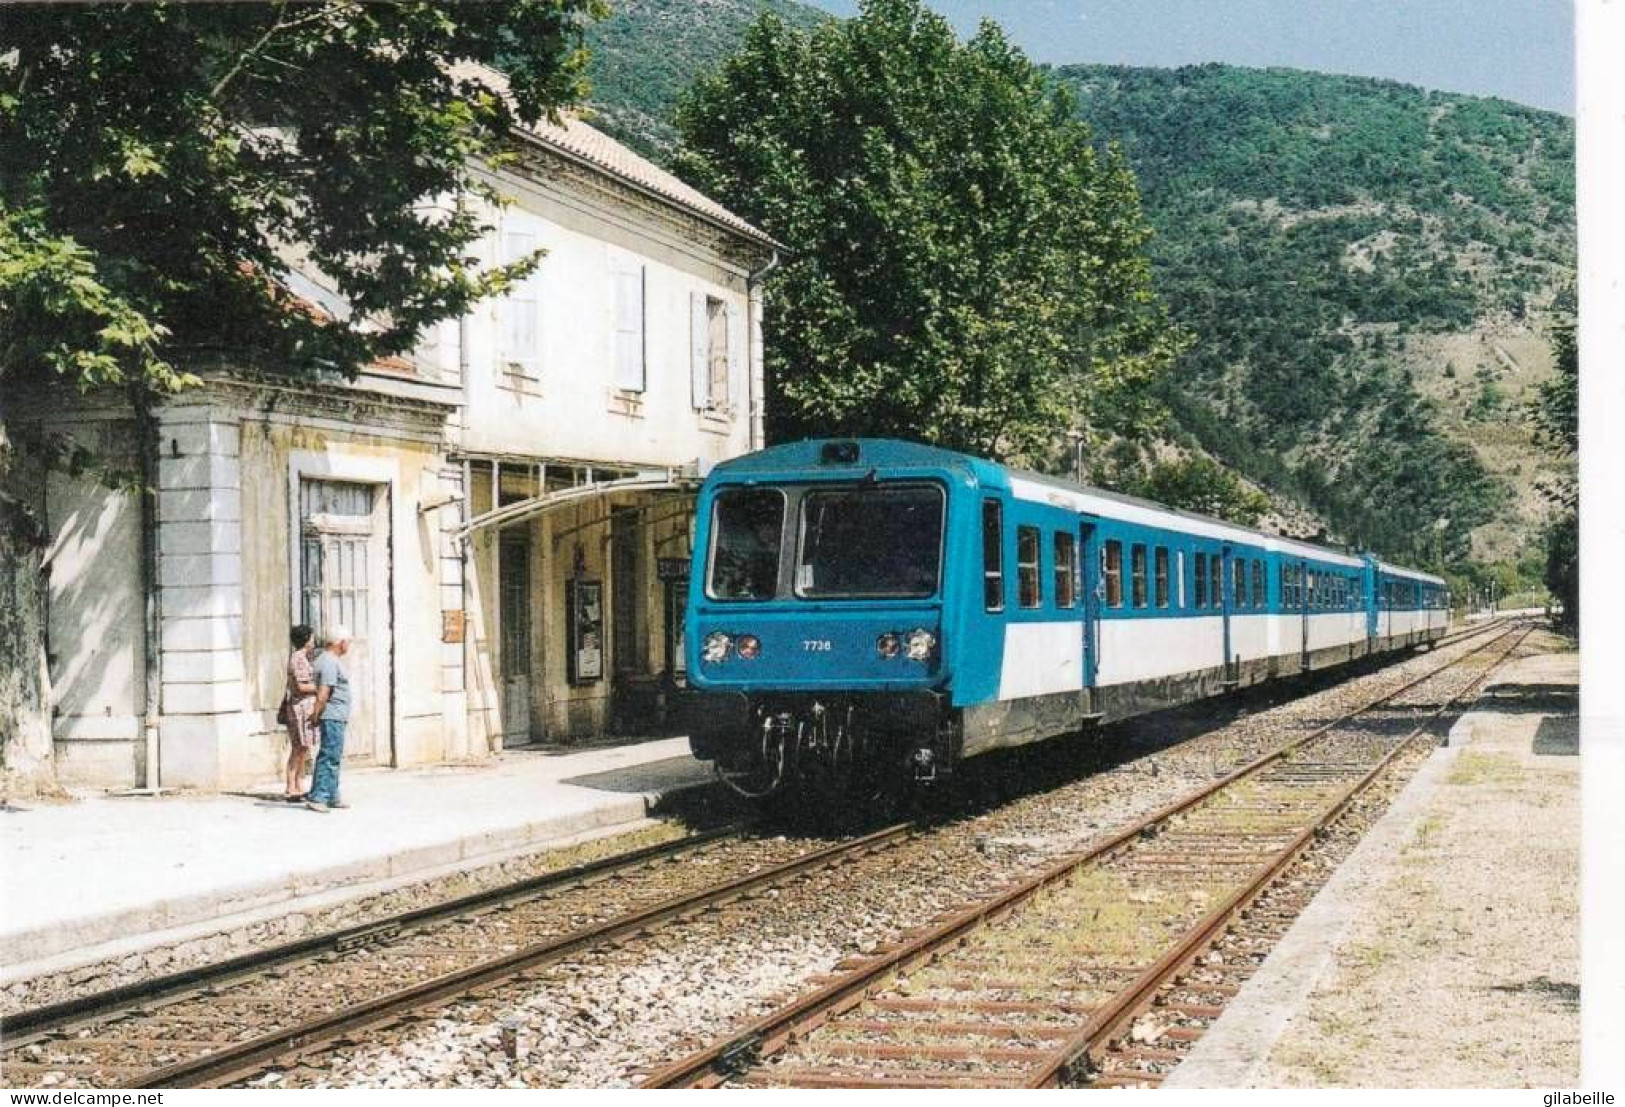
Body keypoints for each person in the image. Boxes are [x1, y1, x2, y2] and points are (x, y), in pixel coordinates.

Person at [305, 625, 353, 813]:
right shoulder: (328, 662)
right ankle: (319, 796)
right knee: (328, 755)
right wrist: (317, 713)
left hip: (337, 715)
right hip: (332, 715)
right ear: (340, 643)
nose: (348, 646)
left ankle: (331, 794)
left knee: (334, 755)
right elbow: (324, 691)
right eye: (347, 642)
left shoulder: (330, 660)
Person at [282, 624, 319, 801]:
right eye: (311, 637)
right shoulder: (298, 658)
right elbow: (300, 686)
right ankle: (290, 786)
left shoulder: (305, 657)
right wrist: (319, 688)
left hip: (305, 707)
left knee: (304, 747)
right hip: (300, 708)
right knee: (297, 747)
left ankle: (298, 784)